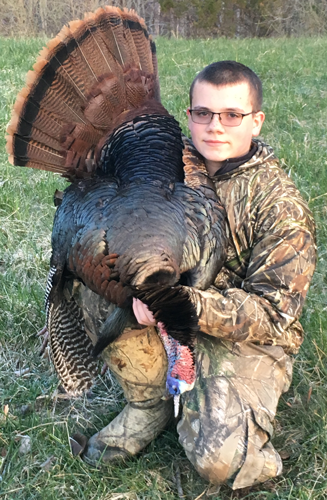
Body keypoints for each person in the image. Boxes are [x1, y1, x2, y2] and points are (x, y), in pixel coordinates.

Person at [82, 61, 316, 490]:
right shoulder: (163, 164)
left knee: (217, 459)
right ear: (188, 115)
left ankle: (247, 445)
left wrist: (180, 305)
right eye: (203, 113)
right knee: (95, 275)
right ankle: (148, 401)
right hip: (168, 308)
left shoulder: (280, 206)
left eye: (231, 115)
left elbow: (272, 315)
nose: (215, 126)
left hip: (245, 339)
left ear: (256, 121)